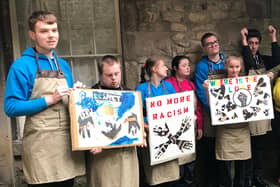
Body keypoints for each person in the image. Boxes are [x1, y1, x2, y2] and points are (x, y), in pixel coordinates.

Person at [4, 11, 85, 186]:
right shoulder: (21, 66)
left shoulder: (63, 65)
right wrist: (49, 99)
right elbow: (11, 107)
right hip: (40, 149)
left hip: (65, 146)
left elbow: (69, 104)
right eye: (44, 31)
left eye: (54, 30)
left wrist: (77, 94)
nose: (51, 35)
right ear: (32, 35)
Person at [87, 55, 139, 187]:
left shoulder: (129, 94)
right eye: (109, 75)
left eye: (117, 73)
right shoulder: (90, 95)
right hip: (102, 156)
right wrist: (90, 143)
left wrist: (140, 134)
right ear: (100, 74)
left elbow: (133, 121)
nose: (114, 78)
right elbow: (85, 125)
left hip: (126, 154)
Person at [241, 25, 280, 187]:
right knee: (248, 146)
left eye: (256, 43)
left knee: (260, 146)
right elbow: (249, 63)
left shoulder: (264, 59)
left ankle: (258, 177)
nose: (253, 46)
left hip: (263, 109)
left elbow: (278, 60)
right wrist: (243, 41)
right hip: (249, 110)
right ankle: (247, 179)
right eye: (250, 43)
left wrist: (273, 37)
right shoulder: (242, 60)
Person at [203, 56, 251, 187]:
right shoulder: (218, 84)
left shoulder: (247, 83)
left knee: (242, 167)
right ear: (226, 67)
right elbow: (211, 103)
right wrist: (207, 89)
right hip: (225, 130)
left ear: (240, 67)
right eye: (231, 67)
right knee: (225, 167)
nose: (234, 70)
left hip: (242, 130)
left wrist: (266, 79)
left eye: (237, 67)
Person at [136, 57, 179, 187]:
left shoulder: (169, 86)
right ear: (154, 69)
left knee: (171, 175)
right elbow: (136, 112)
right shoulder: (141, 88)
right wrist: (146, 124)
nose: (167, 68)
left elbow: (179, 107)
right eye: (163, 66)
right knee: (154, 177)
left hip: (169, 135)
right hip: (151, 135)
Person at [165, 55, 203, 186]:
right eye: (184, 65)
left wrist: (199, 126)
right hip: (174, 130)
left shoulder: (191, 84)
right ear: (175, 68)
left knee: (190, 163)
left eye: (188, 65)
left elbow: (197, 106)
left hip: (190, 128)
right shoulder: (167, 85)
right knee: (177, 165)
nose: (188, 68)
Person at [194, 32, 226, 187]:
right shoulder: (201, 66)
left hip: (228, 113)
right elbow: (200, 91)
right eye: (209, 44)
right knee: (212, 149)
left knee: (225, 148)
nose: (213, 45)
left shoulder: (226, 61)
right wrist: (214, 109)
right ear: (204, 48)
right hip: (210, 113)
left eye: (215, 42)